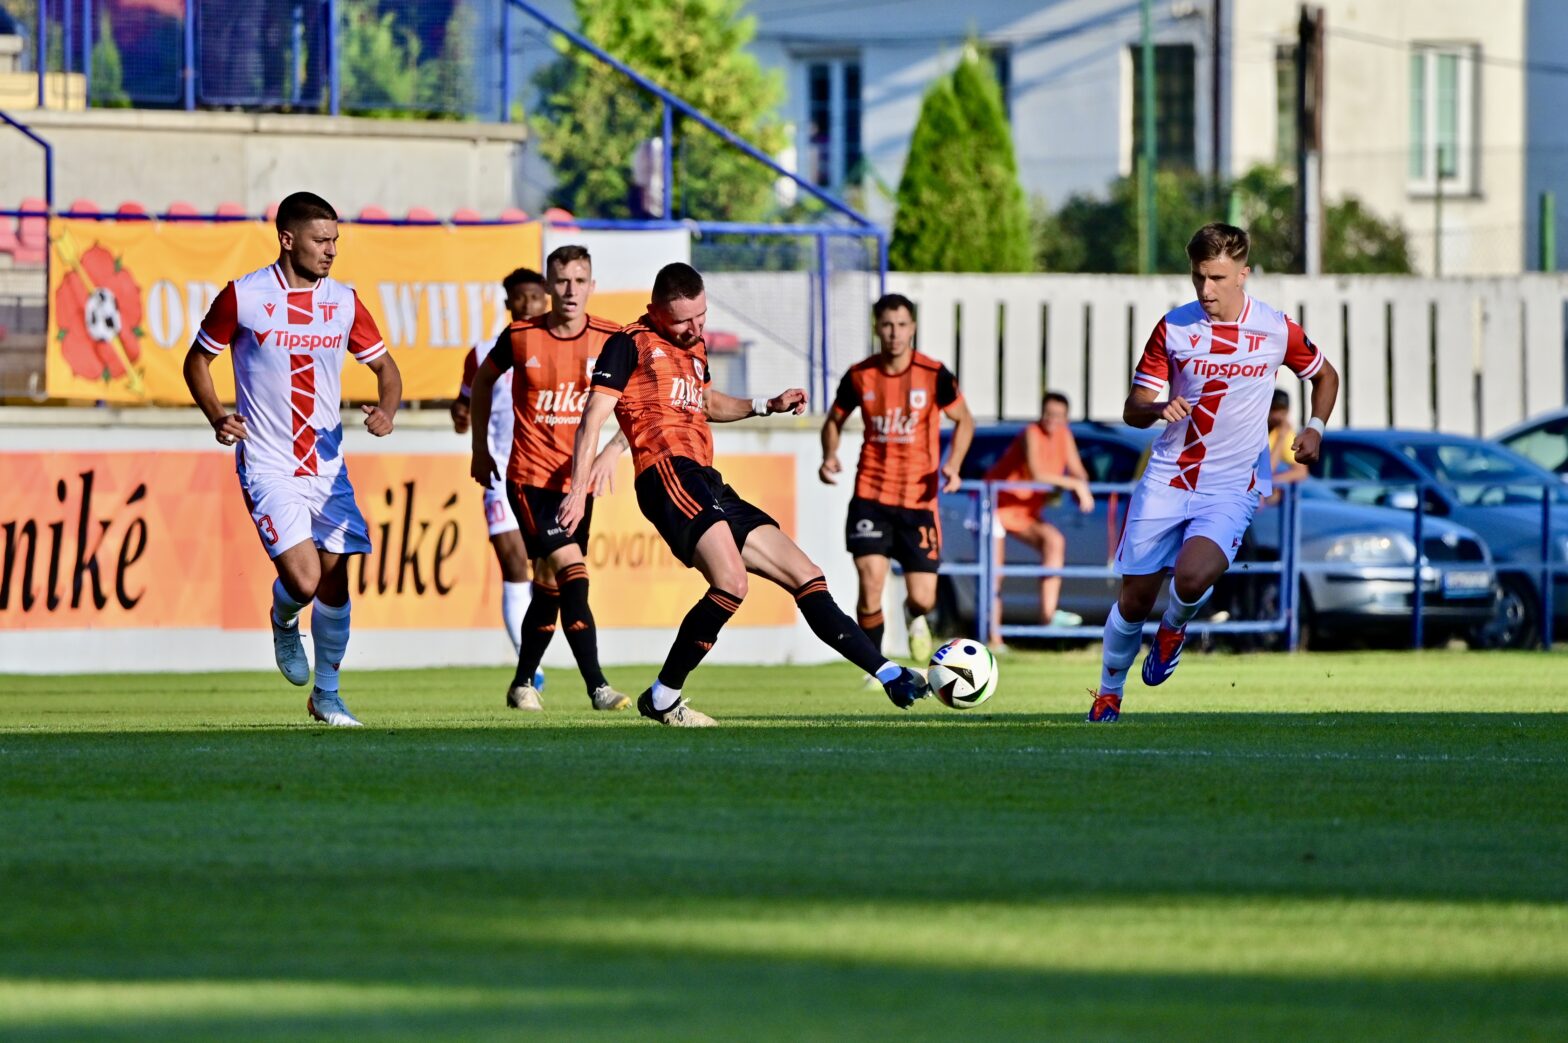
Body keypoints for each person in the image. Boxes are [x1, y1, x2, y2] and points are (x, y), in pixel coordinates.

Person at [560, 263, 931, 727]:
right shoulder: (628, 343)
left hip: (706, 478)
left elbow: (708, 403)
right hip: (666, 473)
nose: (695, 329)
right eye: (682, 321)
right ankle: (664, 697)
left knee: (807, 574)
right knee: (732, 583)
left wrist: (764, 406)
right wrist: (578, 490)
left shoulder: (694, 349)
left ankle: (889, 672)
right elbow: (593, 416)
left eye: (701, 317)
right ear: (655, 311)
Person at [1087, 222, 1340, 723]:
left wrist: (1315, 428)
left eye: (1218, 278)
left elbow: (1324, 375)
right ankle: (1108, 692)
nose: (1206, 290)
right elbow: (1133, 406)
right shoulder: (1174, 328)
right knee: (1135, 600)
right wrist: (1158, 408)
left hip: (1232, 484)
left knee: (1192, 573)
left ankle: (1176, 626)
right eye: (1199, 277)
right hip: (1168, 477)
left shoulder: (1274, 328)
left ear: (1243, 274)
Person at [183, 191, 401, 727]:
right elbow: (197, 362)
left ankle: (327, 695)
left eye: (335, 241)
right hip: (268, 461)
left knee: (336, 582)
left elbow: (387, 370)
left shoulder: (345, 301)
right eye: (320, 240)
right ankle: (284, 618)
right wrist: (218, 415)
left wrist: (388, 412)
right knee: (303, 582)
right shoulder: (244, 297)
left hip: (328, 467)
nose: (331, 251)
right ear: (287, 239)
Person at [469, 245, 630, 713]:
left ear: (592, 287)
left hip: (577, 483)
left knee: (549, 585)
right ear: (548, 286)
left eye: (580, 281)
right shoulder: (520, 336)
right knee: (573, 572)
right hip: (529, 479)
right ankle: (598, 687)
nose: (570, 291)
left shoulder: (611, 338)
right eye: (561, 281)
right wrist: (480, 448)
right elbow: (482, 383)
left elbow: (639, 404)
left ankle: (522, 683)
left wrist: (613, 451)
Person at [818, 293, 974, 666]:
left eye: (902, 325)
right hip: (871, 493)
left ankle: (915, 616)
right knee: (871, 580)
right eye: (887, 325)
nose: (894, 333)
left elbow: (965, 420)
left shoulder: (934, 374)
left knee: (924, 596)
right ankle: (876, 666)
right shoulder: (860, 375)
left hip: (920, 500)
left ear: (913, 328)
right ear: (877, 328)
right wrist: (829, 455)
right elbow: (833, 422)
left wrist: (953, 465)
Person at [450, 268, 550, 664]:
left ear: (547, 301)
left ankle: (542, 656)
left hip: (547, 474)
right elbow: (463, 404)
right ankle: (531, 669)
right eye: (520, 298)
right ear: (508, 304)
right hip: (500, 473)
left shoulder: (559, 348)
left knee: (547, 573)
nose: (528, 305)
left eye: (536, 297)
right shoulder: (484, 352)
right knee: (513, 565)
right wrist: (461, 418)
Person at [984, 391, 1095, 642]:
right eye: (1048, 414)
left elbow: (1078, 471)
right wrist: (1072, 485)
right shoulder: (1030, 433)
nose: (1051, 420)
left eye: (1058, 416)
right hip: (996, 504)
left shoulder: (1065, 436)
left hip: (1024, 511)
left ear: (1066, 418)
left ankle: (1047, 619)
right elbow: (1037, 472)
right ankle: (994, 638)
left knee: (1054, 541)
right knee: (994, 572)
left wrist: (1082, 486)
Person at [1264, 388, 1310, 505]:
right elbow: (1267, 470)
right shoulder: (1257, 430)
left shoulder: (1285, 433)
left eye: (1283, 411)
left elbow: (1301, 472)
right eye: (1274, 409)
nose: (1278, 416)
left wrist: (1273, 481)